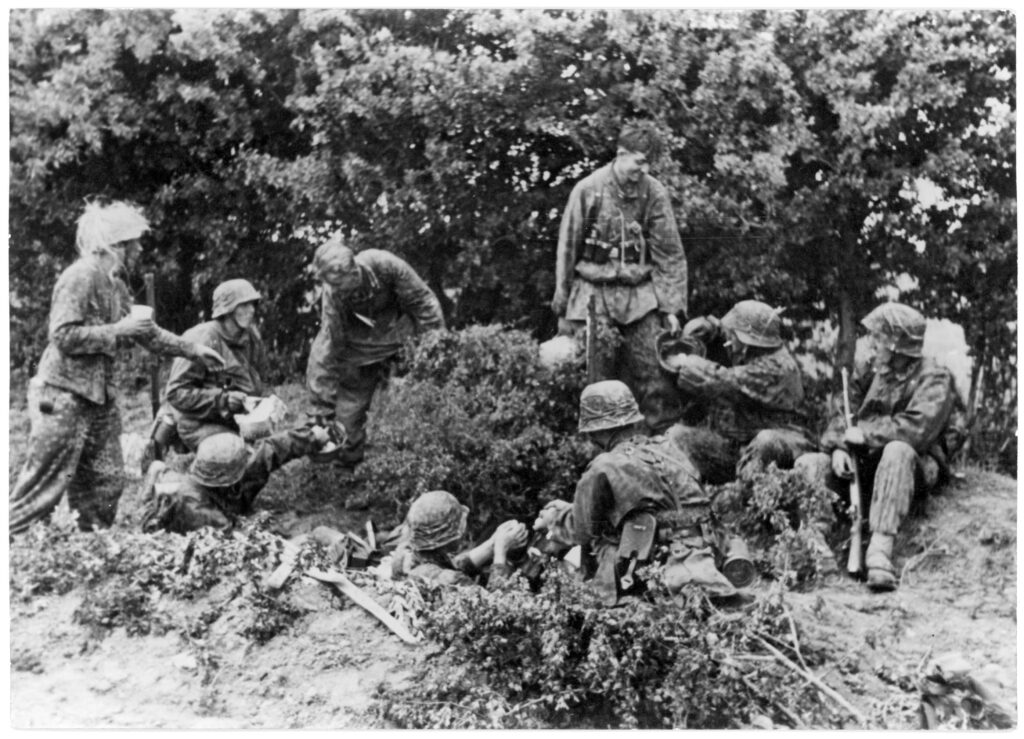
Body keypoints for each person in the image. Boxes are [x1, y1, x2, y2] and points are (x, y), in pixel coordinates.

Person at [9, 202, 225, 536]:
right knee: (43, 484)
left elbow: (148, 333)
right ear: (116, 245)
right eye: (134, 242)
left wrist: (193, 349)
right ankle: (16, 548)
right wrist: (118, 331)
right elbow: (63, 335)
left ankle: (92, 544)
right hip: (62, 394)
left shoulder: (117, 287)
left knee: (106, 481)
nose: (139, 249)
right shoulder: (78, 278)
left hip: (99, 399)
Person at [794, 303, 963, 592]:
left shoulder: (934, 378)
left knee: (897, 450)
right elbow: (842, 414)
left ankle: (880, 550)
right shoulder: (869, 370)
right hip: (865, 463)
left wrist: (866, 434)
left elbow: (916, 430)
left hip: (912, 466)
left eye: (880, 336)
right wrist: (838, 448)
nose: (873, 341)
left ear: (897, 344)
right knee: (810, 463)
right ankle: (815, 543)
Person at [533, 380, 738, 606]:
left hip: (663, 568)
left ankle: (606, 602)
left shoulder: (604, 466)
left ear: (592, 431)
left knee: (603, 542)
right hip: (708, 551)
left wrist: (554, 519)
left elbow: (582, 531)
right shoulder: (669, 449)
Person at [551, 121, 688, 434]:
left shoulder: (653, 193)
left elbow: (669, 254)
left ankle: (663, 444)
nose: (644, 169)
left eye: (649, 163)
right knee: (596, 377)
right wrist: (563, 304)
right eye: (639, 161)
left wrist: (671, 309)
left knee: (656, 372)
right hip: (592, 295)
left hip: (639, 295)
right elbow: (568, 248)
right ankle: (598, 448)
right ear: (621, 154)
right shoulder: (588, 190)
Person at [306, 234, 446, 468]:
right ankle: (347, 465)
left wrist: (436, 349)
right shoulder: (333, 293)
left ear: (352, 272)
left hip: (403, 335)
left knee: (419, 400)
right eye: (331, 285)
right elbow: (329, 342)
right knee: (349, 411)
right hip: (361, 347)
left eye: (338, 284)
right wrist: (321, 408)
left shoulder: (385, 265)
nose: (334, 290)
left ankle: (422, 461)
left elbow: (424, 303)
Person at [667, 300, 813, 485]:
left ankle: (747, 502)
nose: (730, 338)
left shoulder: (779, 368)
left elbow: (723, 380)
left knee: (766, 441)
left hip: (783, 447)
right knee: (679, 436)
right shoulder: (753, 351)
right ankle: (690, 500)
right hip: (742, 447)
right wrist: (714, 326)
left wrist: (685, 361)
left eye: (734, 334)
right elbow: (730, 333)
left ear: (748, 338)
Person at [139, 427, 336, 534]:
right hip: (208, 523)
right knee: (285, 524)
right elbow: (239, 536)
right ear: (228, 477)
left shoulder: (223, 471)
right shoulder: (197, 510)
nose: (250, 459)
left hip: (221, 498)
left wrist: (311, 437)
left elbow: (270, 450)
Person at [164, 278, 270, 451]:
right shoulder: (200, 339)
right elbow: (176, 393)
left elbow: (263, 378)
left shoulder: (251, 338)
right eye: (243, 305)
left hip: (237, 421)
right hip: (197, 422)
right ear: (227, 310)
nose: (251, 310)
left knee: (261, 459)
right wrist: (223, 400)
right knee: (233, 455)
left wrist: (267, 402)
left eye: (253, 304)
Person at [391, 490, 529, 589]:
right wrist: (500, 553)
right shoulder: (451, 581)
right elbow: (497, 608)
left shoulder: (407, 556)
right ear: (449, 539)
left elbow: (449, 565)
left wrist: (491, 544)